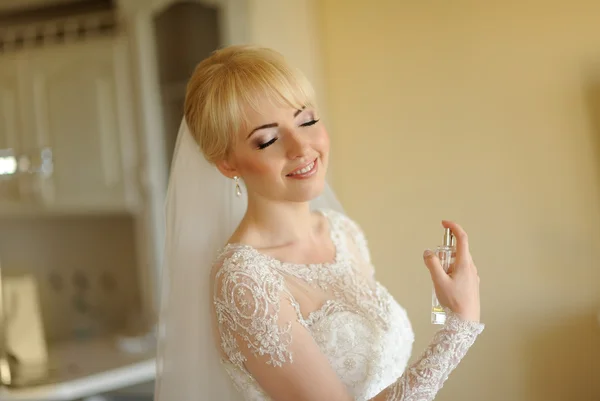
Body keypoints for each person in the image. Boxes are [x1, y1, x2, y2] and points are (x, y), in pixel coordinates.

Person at [154, 45, 484, 401]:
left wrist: (444, 309)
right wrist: (459, 328)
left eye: (306, 120)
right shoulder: (245, 280)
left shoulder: (341, 232)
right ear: (228, 164)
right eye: (267, 139)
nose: (301, 146)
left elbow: (386, 360)